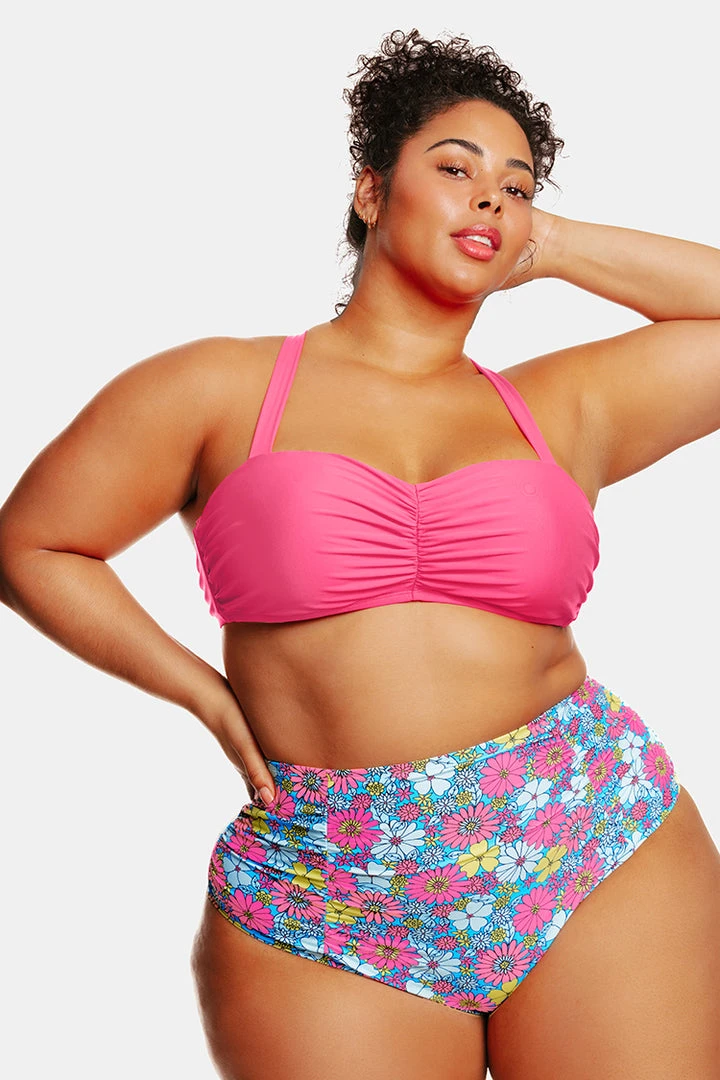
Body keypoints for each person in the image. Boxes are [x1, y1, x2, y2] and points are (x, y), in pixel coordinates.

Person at [1, 25, 718, 1080]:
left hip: (585, 836)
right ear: (371, 192)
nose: (489, 199)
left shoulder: (568, 404)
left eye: (515, 187)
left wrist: (552, 243)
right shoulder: (219, 387)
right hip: (328, 880)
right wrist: (203, 695)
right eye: (456, 169)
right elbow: (36, 543)